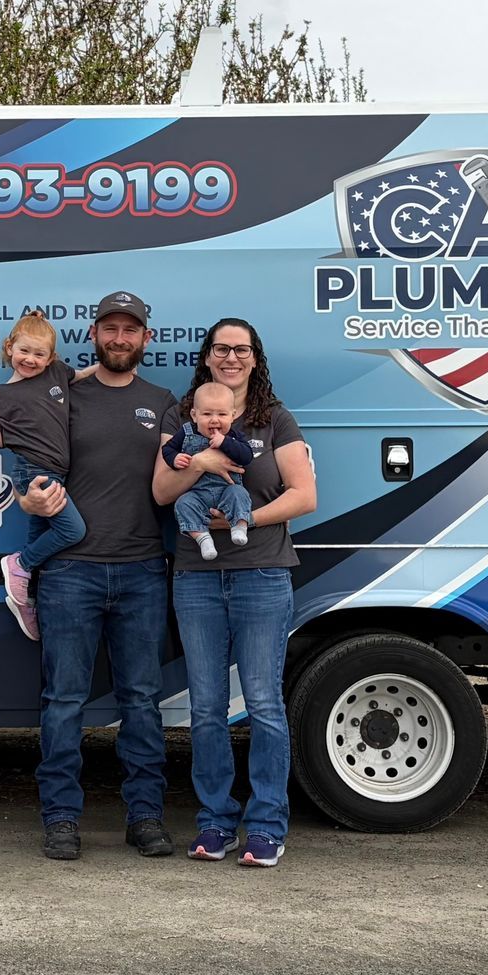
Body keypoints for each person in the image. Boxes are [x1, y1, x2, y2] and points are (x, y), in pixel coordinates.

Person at [17, 291, 177, 862]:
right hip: (69, 573)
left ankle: (146, 817)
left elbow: (173, 479)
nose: (119, 338)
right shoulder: (63, 396)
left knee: (141, 700)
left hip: (141, 571)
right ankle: (61, 819)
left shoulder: (164, 403)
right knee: (63, 699)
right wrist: (25, 500)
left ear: (144, 340)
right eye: (110, 328)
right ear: (95, 335)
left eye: (129, 330)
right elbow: (28, 460)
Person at [152, 317, 316, 869]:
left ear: (255, 358)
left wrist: (235, 524)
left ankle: (267, 825)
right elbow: (161, 490)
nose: (231, 357)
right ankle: (216, 822)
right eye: (222, 348)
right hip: (196, 579)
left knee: (265, 704)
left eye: (241, 349)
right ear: (207, 356)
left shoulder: (274, 419)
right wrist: (198, 461)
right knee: (205, 708)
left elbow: (304, 496)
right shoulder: (182, 417)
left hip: (262, 574)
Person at [0, 312, 98, 638]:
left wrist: (103, 369)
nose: (31, 360)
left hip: (57, 472)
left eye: (39, 354)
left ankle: (27, 598)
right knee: (73, 531)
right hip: (34, 472)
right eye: (24, 351)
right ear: (10, 348)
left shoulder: (56, 374)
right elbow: (0, 439)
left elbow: (78, 375)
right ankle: (19, 565)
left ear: (51, 358)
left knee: (39, 541)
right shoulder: (3, 394)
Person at [160, 381, 255, 561]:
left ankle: (239, 527)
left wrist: (225, 443)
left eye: (221, 414)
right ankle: (203, 538)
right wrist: (174, 459)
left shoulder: (234, 436)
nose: (214, 419)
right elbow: (168, 449)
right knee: (183, 503)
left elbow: (247, 456)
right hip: (197, 493)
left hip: (227, 490)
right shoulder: (185, 432)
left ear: (232, 416)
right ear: (194, 415)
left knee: (240, 493)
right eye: (207, 414)